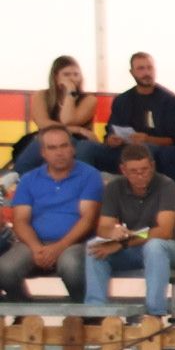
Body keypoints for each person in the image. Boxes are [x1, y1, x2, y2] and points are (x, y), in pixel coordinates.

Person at [83, 144, 175, 318]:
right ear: (123, 170)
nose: (140, 176)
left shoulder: (166, 185)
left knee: (155, 247)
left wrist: (123, 243)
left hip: (170, 248)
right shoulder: (115, 187)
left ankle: (155, 313)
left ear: (152, 166)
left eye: (144, 170)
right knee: (94, 246)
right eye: (134, 171)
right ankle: (95, 311)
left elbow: (164, 231)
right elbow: (103, 226)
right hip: (132, 246)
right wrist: (113, 234)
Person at [0, 126, 100, 302]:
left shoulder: (90, 175)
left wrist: (58, 248)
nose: (59, 153)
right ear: (43, 153)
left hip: (74, 243)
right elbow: (20, 221)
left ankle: (85, 315)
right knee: (4, 269)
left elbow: (88, 220)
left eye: (63, 146)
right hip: (34, 244)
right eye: (52, 148)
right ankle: (26, 313)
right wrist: (37, 248)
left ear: (72, 148)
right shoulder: (29, 179)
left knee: (72, 265)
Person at [92, 52, 175, 200]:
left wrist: (147, 139)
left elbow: (174, 140)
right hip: (124, 152)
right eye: (141, 68)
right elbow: (111, 131)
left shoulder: (169, 101)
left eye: (149, 68)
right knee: (86, 148)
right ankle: (86, 200)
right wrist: (111, 139)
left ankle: (144, 203)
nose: (146, 73)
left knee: (146, 151)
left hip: (154, 153)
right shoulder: (122, 100)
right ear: (132, 72)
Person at [8, 55, 101, 178]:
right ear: (56, 77)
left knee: (57, 142)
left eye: (76, 74)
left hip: (76, 141)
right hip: (47, 137)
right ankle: (16, 179)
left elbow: (67, 120)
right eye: (67, 74)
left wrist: (70, 93)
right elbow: (42, 123)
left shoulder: (89, 99)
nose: (72, 78)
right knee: (43, 141)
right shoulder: (41, 95)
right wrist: (78, 129)